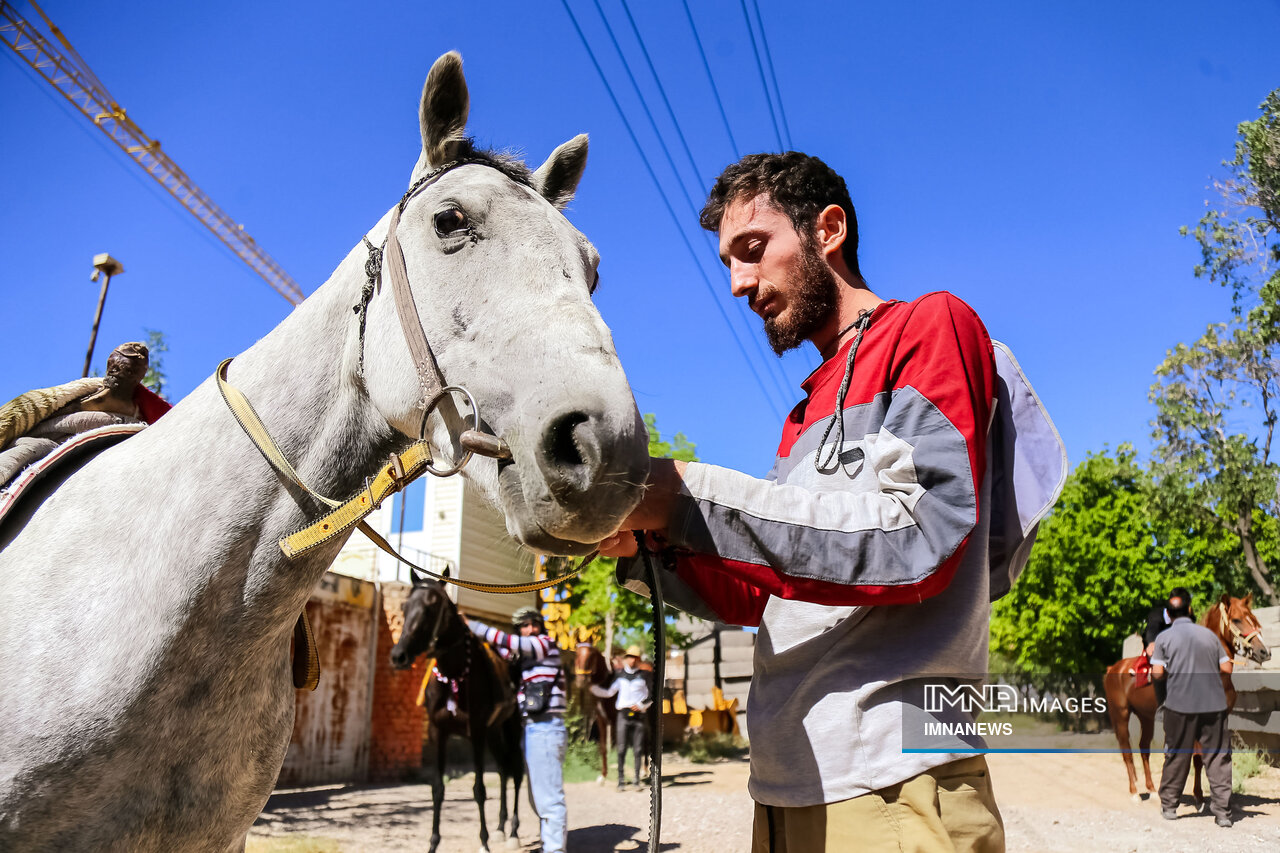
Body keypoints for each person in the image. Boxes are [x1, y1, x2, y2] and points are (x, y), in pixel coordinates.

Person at [599, 151, 1064, 852]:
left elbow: (918, 537)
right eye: (728, 262)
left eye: (752, 250)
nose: (737, 282)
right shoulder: (803, 413)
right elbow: (772, 598)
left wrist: (688, 496)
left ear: (830, 229)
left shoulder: (930, 328)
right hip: (785, 788)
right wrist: (645, 543)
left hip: (896, 786)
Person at [466, 605, 568, 853]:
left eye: (534, 623)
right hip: (533, 730)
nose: (530, 629)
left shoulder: (544, 644)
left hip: (546, 727)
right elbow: (502, 650)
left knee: (550, 799)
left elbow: (505, 641)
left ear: (541, 627)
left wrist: (474, 626)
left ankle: (555, 850)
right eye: (524, 625)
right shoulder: (526, 658)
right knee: (539, 799)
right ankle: (550, 846)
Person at [0, 341, 169, 486]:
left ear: (136, 377)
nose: (115, 373)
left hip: (109, 448)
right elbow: (28, 410)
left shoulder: (139, 418)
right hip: (53, 443)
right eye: (113, 367)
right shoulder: (84, 393)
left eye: (126, 370)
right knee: (33, 448)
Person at [1150, 590, 1234, 827]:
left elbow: (1157, 672)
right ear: (1189, 609)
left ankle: (1169, 806)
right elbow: (1227, 668)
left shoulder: (1164, 639)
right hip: (1214, 705)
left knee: (1177, 753)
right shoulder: (1209, 635)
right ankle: (1223, 814)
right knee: (1218, 756)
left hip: (1180, 705)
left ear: (1168, 613)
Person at [590, 644, 652, 790]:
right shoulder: (619, 675)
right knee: (621, 748)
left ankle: (637, 780)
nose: (631, 660)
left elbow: (651, 695)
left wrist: (642, 705)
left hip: (638, 716)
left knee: (637, 749)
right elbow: (609, 692)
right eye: (629, 657)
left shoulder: (644, 675)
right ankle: (621, 780)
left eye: (634, 658)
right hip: (623, 715)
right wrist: (593, 688)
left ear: (638, 659)